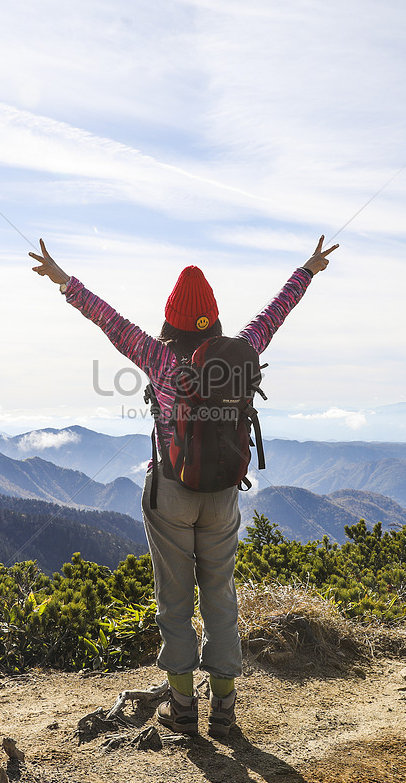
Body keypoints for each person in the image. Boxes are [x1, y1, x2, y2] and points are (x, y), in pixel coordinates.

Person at [29, 236, 336, 737]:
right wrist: (307, 270)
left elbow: (108, 319)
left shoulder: (159, 359)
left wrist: (64, 280)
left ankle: (182, 709)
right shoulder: (243, 350)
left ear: (170, 317)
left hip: (170, 494)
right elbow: (274, 313)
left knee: (174, 601)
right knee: (220, 596)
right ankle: (225, 711)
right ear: (213, 317)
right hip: (223, 495)